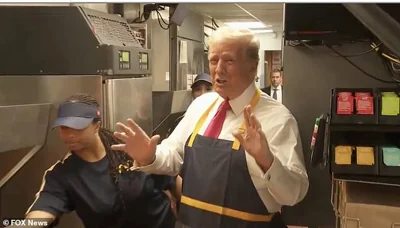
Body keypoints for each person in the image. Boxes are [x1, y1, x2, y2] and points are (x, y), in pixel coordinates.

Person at [112, 27, 309, 228]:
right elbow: (173, 156)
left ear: (253, 66)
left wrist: (266, 160)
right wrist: (149, 156)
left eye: (229, 61)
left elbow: (293, 194)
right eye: (214, 60)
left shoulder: (277, 119)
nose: (219, 69)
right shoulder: (201, 105)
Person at [25, 93, 177, 228]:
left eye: (77, 127)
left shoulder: (128, 149)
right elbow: (42, 211)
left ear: (97, 126)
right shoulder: (62, 174)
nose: (69, 134)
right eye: (64, 128)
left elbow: (173, 180)